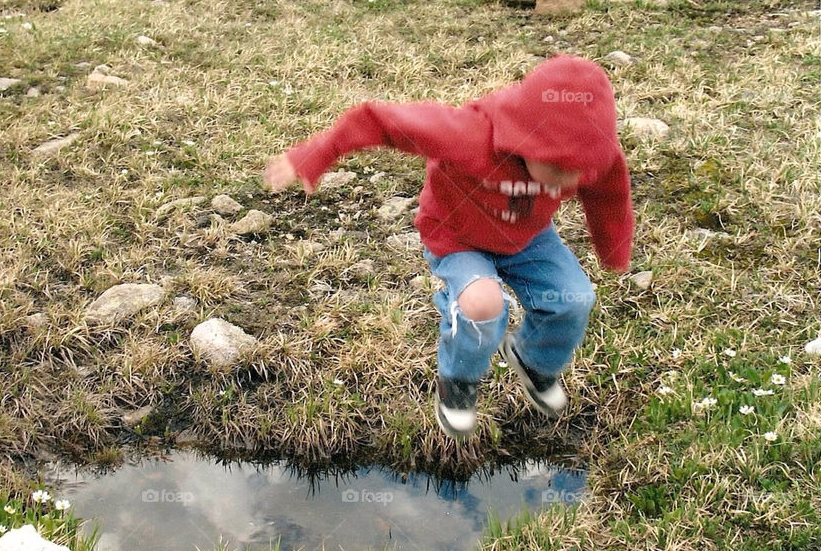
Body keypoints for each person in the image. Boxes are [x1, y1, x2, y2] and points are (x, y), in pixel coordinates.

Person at [263, 54, 634, 439]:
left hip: (529, 236)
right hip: (458, 238)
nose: (569, 180)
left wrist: (613, 249)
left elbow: (610, 196)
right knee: (483, 305)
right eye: (557, 170)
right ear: (524, 136)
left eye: (579, 170)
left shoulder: (591, 156)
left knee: (575, 298)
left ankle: (534, 359)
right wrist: (314, 154)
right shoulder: (468, 134)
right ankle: (457, 382)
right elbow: (379, 121)